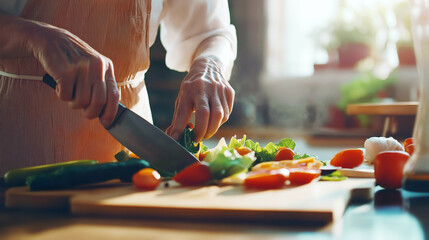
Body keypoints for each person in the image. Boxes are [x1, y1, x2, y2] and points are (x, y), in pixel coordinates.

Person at [0, 0, 237, 175]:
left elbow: (212, 32)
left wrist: (210, 64)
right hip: (19, 149)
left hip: (135, 156)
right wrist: (34, 36)